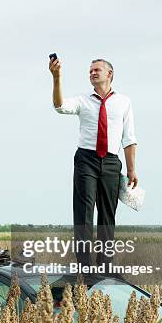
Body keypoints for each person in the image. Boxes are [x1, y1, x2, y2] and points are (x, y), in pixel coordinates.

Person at [49, 57, 138, 267]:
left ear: (110, 74)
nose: (92, 73)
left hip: (111, 161)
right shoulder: (83, 99)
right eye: (90, 71)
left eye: (96, 70)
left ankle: (105, 266)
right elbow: (59, 105)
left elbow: (129, 138)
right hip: (86, 159)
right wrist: (56, 77)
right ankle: (84, 266)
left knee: (108, 216)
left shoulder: (124, 102)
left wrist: (132, 169)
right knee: (84, 212)